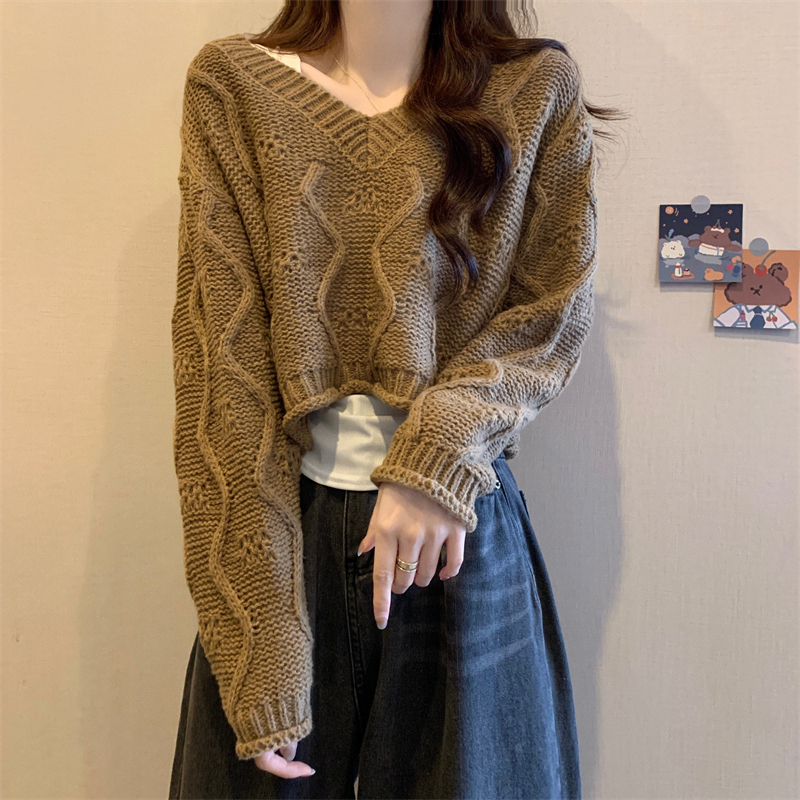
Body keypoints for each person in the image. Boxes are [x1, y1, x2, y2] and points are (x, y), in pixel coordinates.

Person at [168, 1, 615, 797]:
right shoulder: (234, 87)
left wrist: (439, 453)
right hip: (282, 543)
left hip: (461, 529)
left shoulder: (535, 89)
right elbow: (221, 376)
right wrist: (259, 638)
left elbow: (551, 314)